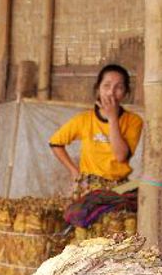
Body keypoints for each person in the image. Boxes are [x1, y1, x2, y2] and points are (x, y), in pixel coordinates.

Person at [48, 64, 144, 197]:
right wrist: (74, 171)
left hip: (120, 185)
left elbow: (121, 156)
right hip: (89, 185)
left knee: (142, 194)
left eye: (119, 87)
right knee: (85, 208)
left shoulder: (134, 121)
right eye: (106, 86)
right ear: (98, 89)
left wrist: (112, 118)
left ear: (126, 93)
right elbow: (55, 142)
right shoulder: (84, 119)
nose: (111, 92)